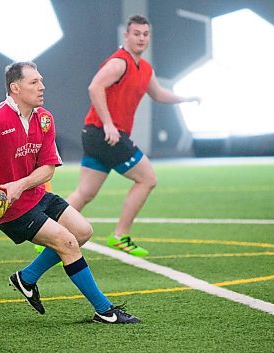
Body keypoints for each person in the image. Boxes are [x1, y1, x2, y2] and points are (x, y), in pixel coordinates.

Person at [0, 61, 139, 324]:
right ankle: (105, 311)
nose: (42, 87)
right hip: (9, 209)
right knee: (67, 243)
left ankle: (26, 278)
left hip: (35, 195)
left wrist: (21, 184)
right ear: (15, 88)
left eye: (41, 81)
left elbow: (48, 169)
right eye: (34, 82)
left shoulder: (45, 119)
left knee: (83, 232)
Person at [67, 15, 200, 257]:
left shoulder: (145, 69)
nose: (141, 38)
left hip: (99, 135)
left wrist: (187, 98)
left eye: (145, 34)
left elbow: (159, 94)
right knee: (147, 179)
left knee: (85, 193)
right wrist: (108, 124)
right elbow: (94, 87)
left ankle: (52, 232)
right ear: (126, 36)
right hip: (105, 134)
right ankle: (120, 236)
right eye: (136, 33)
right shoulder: (120, 63)